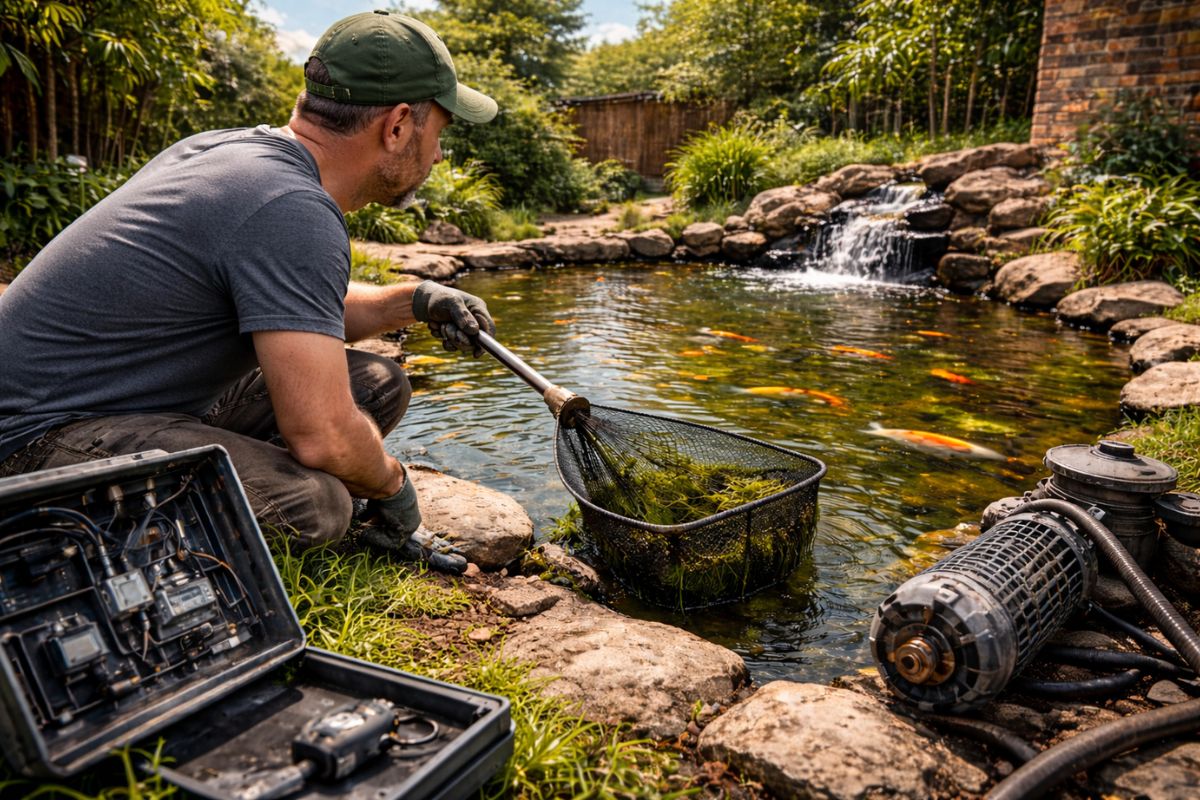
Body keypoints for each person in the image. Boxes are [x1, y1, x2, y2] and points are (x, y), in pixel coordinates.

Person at [0, 11, 498, 572]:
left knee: (379, 385)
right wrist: (394, 488)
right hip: (33, 439)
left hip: (126, 397)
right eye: (439, 135)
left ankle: (202, 470)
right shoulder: (290, 208)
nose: (436, 156)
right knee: (316, 504)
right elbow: (323, 437)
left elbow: (293, 306)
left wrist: (412, 300)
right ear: (399, 125)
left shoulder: (233, 153)